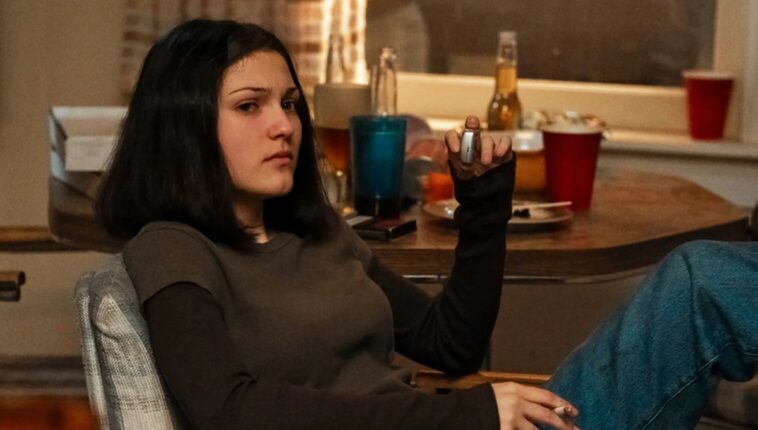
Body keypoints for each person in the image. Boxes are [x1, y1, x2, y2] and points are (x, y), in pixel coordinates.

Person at [96, 19, 757, 429]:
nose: (284, 125)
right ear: (183, 124)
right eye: (250, 106)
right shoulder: (173, 249)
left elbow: (451, 346)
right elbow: (229, 410)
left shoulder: (318, 234)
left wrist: (484, 206)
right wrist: (468, 416)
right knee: (701, 283)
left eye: (290, 104)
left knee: (701, 283)